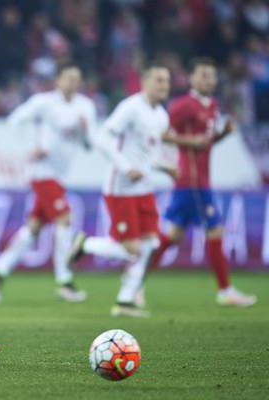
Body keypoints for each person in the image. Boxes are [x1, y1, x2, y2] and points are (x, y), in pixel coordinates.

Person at [69, 64, 175, 317]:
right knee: (132, 249)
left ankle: (126, 300)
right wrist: (126, 168)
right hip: (122, 188)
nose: (164, 85)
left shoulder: (161, 115)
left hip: (145, 188)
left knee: (152, 243)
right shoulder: (130, 108)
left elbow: (148, 153)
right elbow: (103, 139)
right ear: (145, 82)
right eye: (159, 80)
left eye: (167, 81)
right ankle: (88, 244)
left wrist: (164, 167)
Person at [149, 58, 256, 307]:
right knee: (216, 230)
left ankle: (134, 279)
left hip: (200, 180)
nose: (209, 80)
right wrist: (189, 143)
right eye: (204, 76)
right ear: (192, 78)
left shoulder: (213, 105)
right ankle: (225, 290)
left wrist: (221, 135)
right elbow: (162, 134)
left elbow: (204, 142)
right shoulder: (183, 105)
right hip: (192, 181)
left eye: (212, 76)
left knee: (172, 236)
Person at [0, 66, 96, 304]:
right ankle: (64, 281)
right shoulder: (43, 103)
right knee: (64, 218)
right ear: (58, 80)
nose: (73, 83)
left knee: (34, 228)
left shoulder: (85, 107)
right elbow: (15, 120)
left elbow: (89, 145)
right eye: (68, 78)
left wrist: (85, 131)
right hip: (43, 172)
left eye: (77, 79)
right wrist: (28, 149)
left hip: (61, 175)